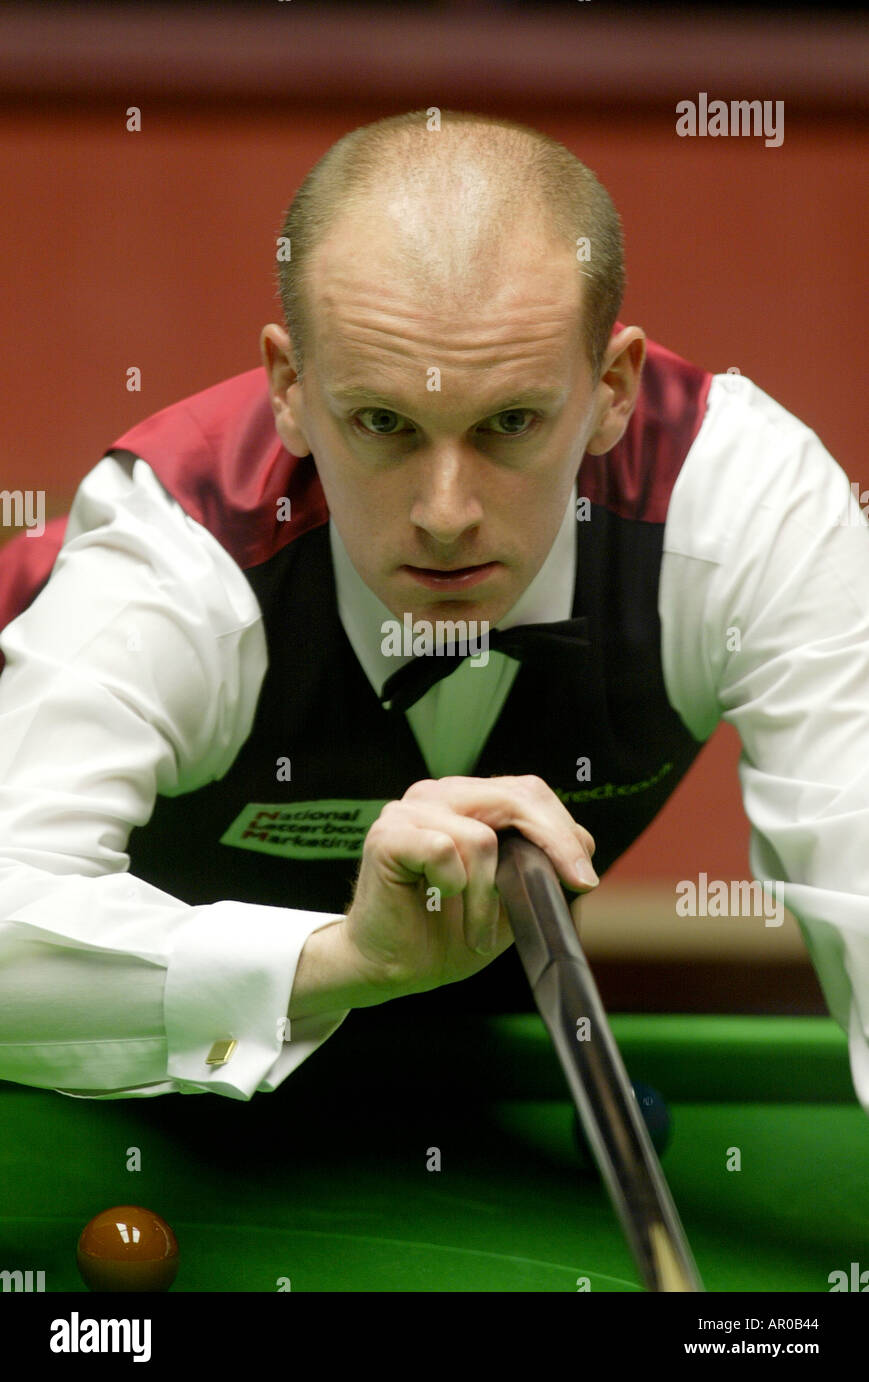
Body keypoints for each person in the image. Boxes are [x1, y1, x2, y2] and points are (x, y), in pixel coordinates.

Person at [1, 109, 867, 1107]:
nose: (445, 514)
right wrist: (339, 956)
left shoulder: (743, 514)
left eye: (510, 422)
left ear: (611, 389)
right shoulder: (177, 550)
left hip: (455, 1075)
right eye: (382, 422)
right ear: (289, 386)